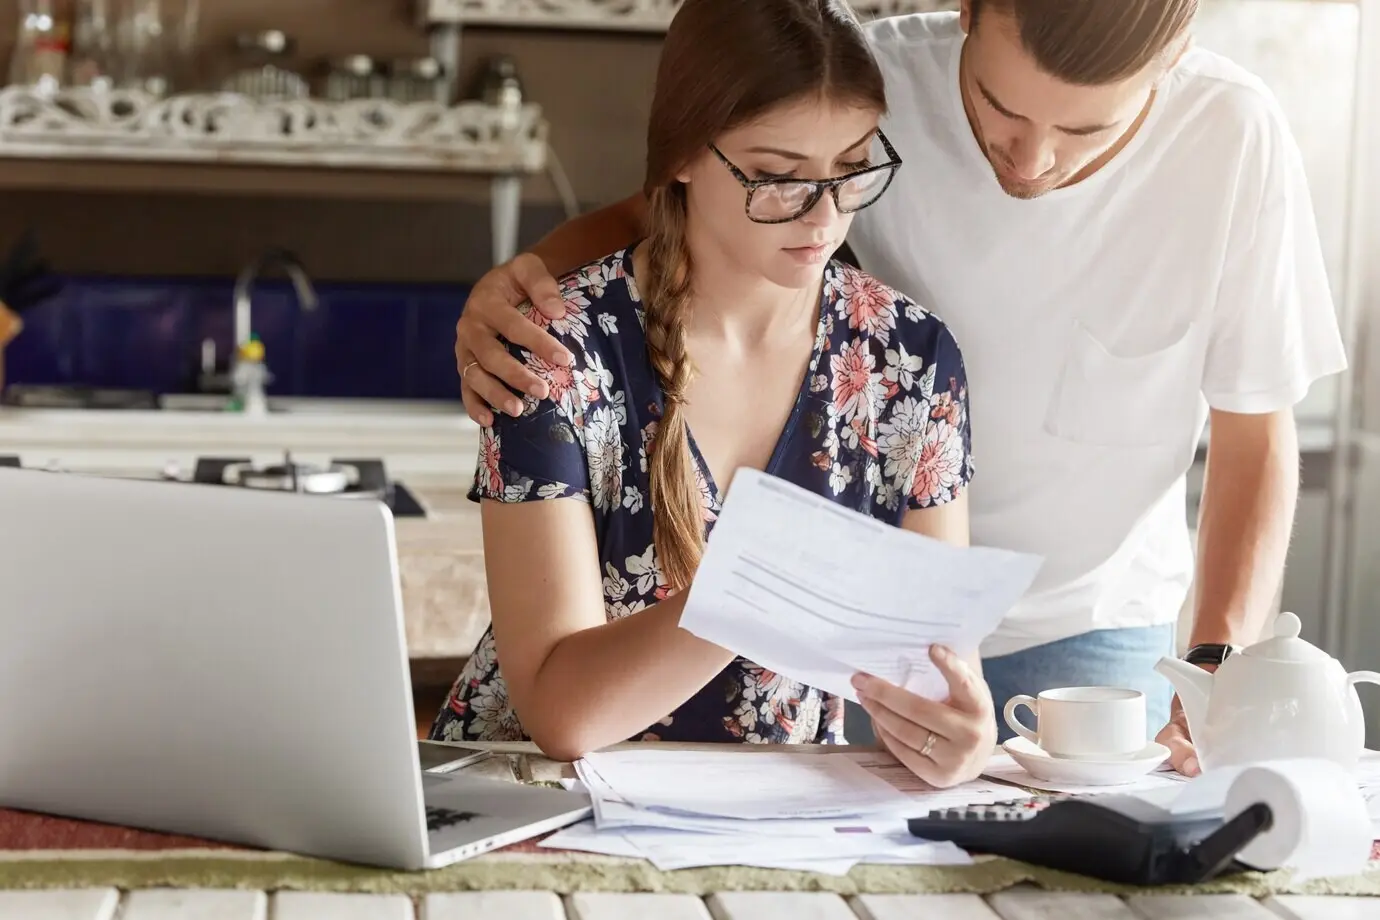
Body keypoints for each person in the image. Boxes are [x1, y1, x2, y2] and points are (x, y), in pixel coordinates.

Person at [449, 0, 1348, 777]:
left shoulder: (914, 356)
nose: (1032, 160)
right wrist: (526, 279)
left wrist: (1216, 662)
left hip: (1078, 614)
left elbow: (1255, 436)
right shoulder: (872, 78)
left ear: (1169, 68)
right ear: (966, 11)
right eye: (1000, 110)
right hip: (829, 636)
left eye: (1085, 132)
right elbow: (684, 199)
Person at [429, 0, 998, 788]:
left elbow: (935, 667)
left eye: (853, 164)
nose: (825, 213)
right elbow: (563, 713)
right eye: (777, 177)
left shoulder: (913, 361)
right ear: (684, 155)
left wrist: (960, 735)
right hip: (523, 798)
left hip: (767, 813)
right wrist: (767, 584)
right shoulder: (557, 352)